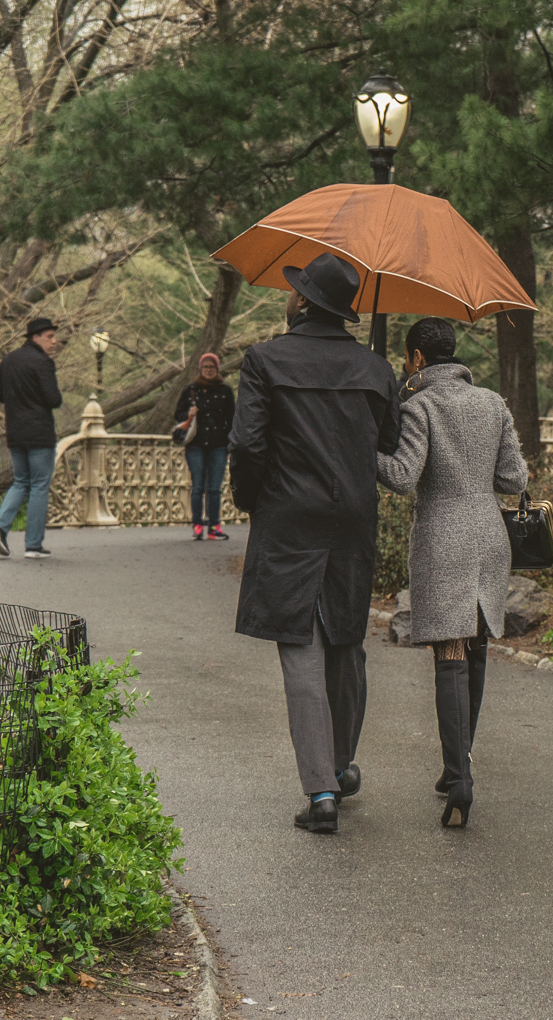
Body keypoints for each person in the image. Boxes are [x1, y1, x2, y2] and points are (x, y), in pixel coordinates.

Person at [228, 252, 400, 834]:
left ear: (303, 301)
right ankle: (341, 764)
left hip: (288, 516)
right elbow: (389, 441)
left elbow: (247, 445)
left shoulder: (265, 360)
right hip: (352, 516)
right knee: (346, 639)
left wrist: (253, 500)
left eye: (295, 288)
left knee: (299, 643)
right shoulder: (375, 369)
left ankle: (322, 791)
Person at [376, 318, 528, 829]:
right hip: (489, 534)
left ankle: (459, 778)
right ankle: (457, 767)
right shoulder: (493, 402)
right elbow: (513, 478)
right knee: (476, 645)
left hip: (443, 537)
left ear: (418, 358)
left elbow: (402, 477)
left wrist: (365, 448)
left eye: (406, 357)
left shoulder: (419, 406)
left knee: (450, 651)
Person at [0, 317, 63, 559]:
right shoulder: (43, 362)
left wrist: (18, 400)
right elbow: (54, 399)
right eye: (49, 336)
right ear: (35, 337)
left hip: (15, 432)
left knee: (21, 481)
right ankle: (33, 545)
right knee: (40, 485)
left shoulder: (9, 360)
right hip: (39, 433)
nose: (54, 341)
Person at [175, 352, 236, 541]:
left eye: (212, 367)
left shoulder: (225, 391)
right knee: (198, 486)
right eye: (205, 367)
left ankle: (214, 526)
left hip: (219, 444)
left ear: (217, 369)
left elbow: (232, 419)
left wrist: (231, 444)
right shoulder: (191, 390)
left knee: (215, 488)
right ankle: (197, 526)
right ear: (200, 369)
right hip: (196, 444)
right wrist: (189, 414)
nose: (208, 370)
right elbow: (177, 415)